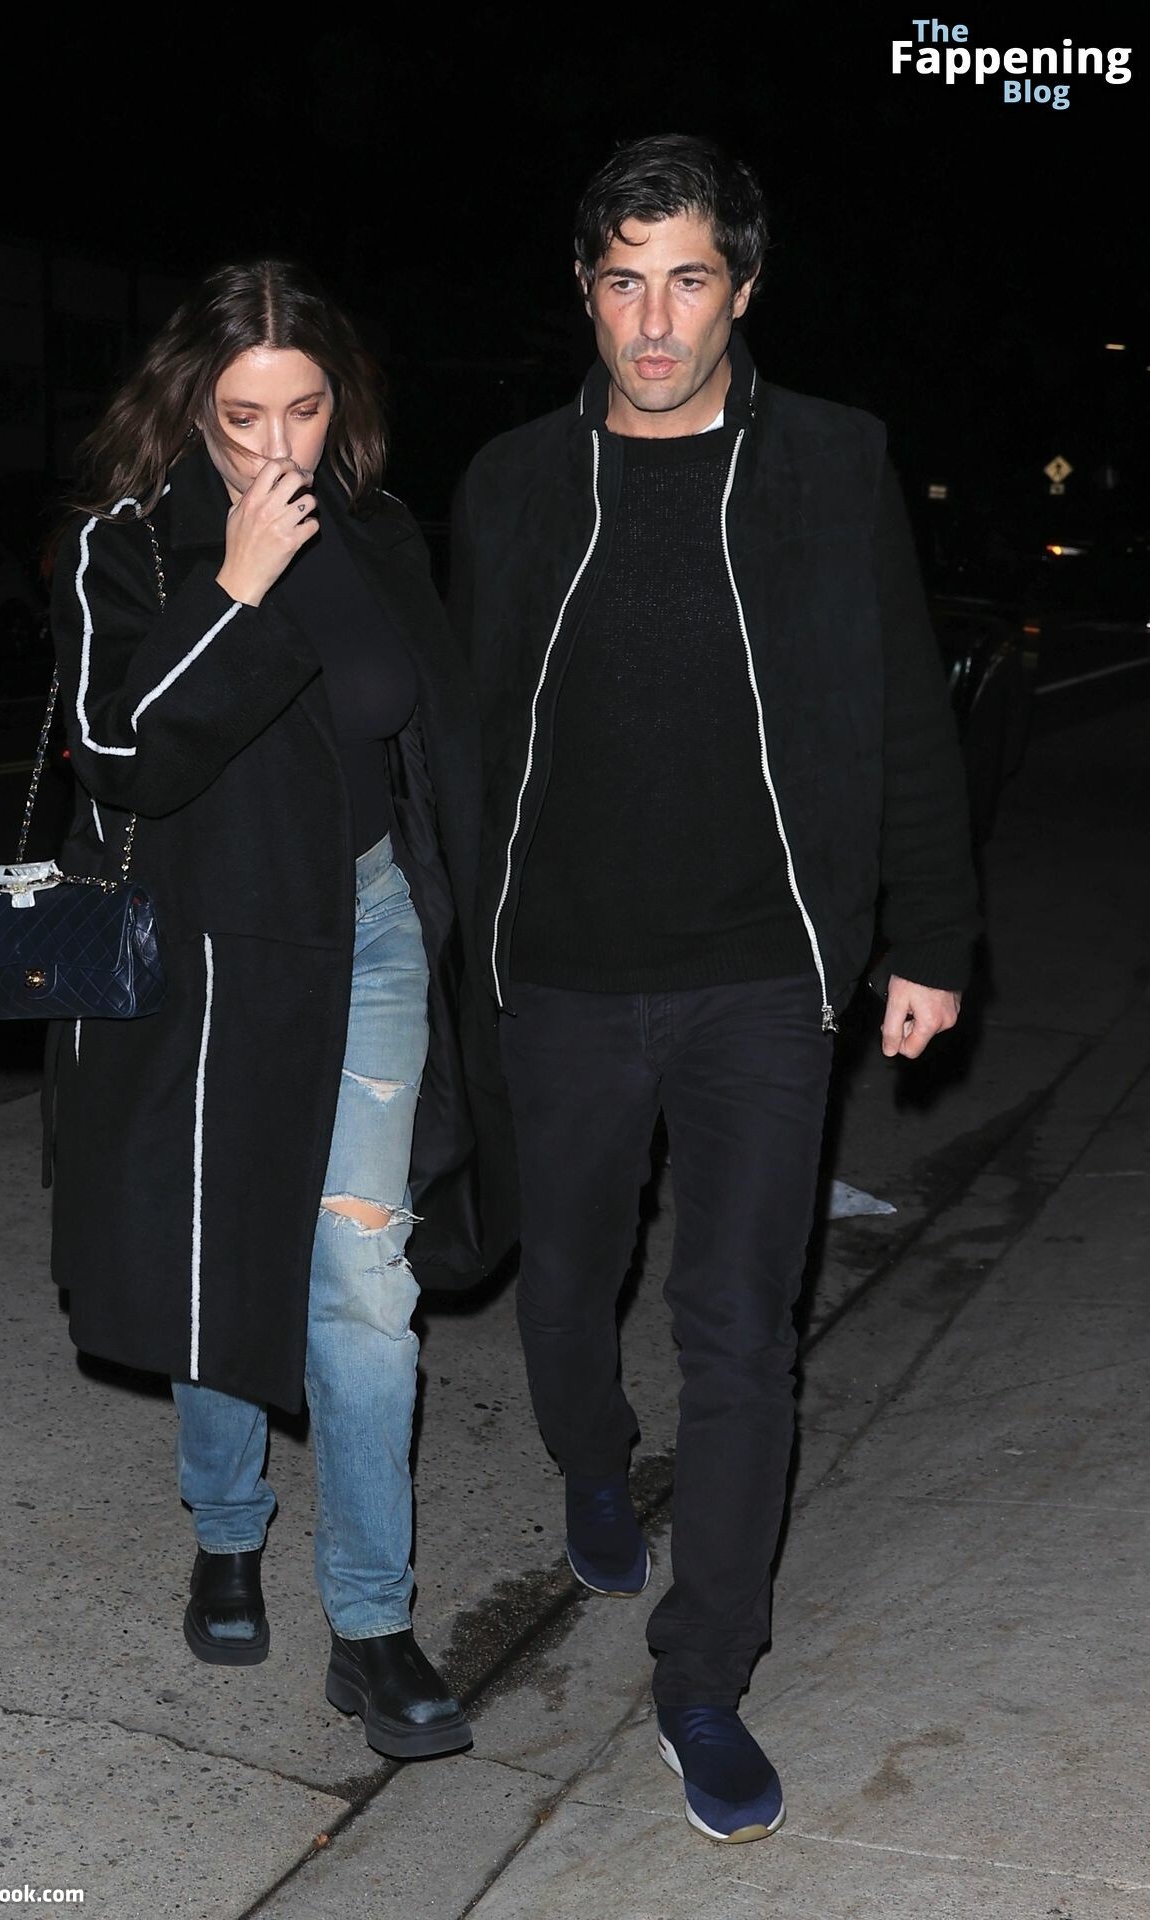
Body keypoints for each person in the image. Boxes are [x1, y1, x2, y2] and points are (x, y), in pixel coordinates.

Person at [449, 136, 980, 1840]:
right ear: (585, 292)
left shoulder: (831, 462)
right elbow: (466, 739)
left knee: (743, 1330)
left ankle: (703, 1677)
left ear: (743, 288)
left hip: (763, 973)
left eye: (690, 280)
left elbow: (901, 707)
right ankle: (592, 1461)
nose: (657, 322)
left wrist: (931, 937)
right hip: (563, 980)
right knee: (563, 1286)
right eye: (625, 282)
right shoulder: (513, 484)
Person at [47, 258, 492, 1760]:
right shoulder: (125, 544)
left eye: (304, 409)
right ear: (189, 406)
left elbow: (434, 735)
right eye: (244, 416)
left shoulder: (377, 532)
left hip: (368, 933)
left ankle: (371, 1624)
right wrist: (234, 585)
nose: (277, 446)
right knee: (220, 1246)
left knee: (361, 1280)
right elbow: (125, 753)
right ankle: (226, 1527)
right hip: (214, 952)